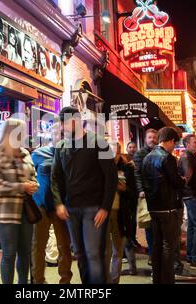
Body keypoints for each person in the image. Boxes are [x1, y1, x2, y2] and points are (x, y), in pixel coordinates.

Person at [52, 106, 117, 284]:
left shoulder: (99, 142)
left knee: (93, 254)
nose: (63, 128)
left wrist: (105, 207)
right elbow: (56, 178)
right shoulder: (61, 147)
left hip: (94, 208)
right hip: (71, 208)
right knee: (80, 254)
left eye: (64, 124)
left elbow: (111, 178)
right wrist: (58, 203)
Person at [0, 118, 39, 284]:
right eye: (20, 132)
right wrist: (21, 186)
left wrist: (33, 185)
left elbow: (33, 176)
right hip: (4, 210)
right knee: (9, 252)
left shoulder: (25, 153)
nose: (23, 136)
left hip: (25, 209)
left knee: (25, 252)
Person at [142, 127, 185, 284]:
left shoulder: (147, 158)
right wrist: (183, 180)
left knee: (157, 244)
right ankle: (167, 280)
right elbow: (175, 182)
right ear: (171, 141)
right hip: (168, 207)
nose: (174, 147)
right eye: (175, 143)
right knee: (168, 245)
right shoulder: (167, 158)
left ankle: (157, 278)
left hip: (153, 207)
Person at [31, 123, 72, 284]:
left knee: (64, 246)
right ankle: (38, 281)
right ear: (50, 135)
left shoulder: (70, 154)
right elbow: (29, 175)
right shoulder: (38, 154)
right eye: (56, 133)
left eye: (62, 134)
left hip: (61, 206)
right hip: (41, 205)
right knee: (38, 246)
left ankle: (65, 281)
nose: (59, 136)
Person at [105, 142, 136, 283]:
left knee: (118, 249)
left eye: (116, 152)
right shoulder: (100, 168)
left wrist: (125, 190)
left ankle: (114, 280)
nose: (114, 156)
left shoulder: (127, 169)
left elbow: (133, 192)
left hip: (120, 214)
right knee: (105, 251)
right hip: (104, 213)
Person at [131, 129, 158, 268]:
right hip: (146, 194)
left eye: (154, 137)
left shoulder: (159, 152)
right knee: (149, 225)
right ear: (145, 138)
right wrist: (141, 190)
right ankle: (153, 255)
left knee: (157, 225)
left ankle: (158, 254)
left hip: (159, 193)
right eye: (150, 137)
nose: (152, 139)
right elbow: (137, 174)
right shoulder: (140, 154)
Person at [178, 134, 196, 270]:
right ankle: (195, 259)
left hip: (191, 195)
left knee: (193, 227)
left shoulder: (189, 156)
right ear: (187, 144)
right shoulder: (187, 156)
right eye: (195, 142)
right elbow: (188, 175)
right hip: (192, 195)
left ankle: (191, 256)